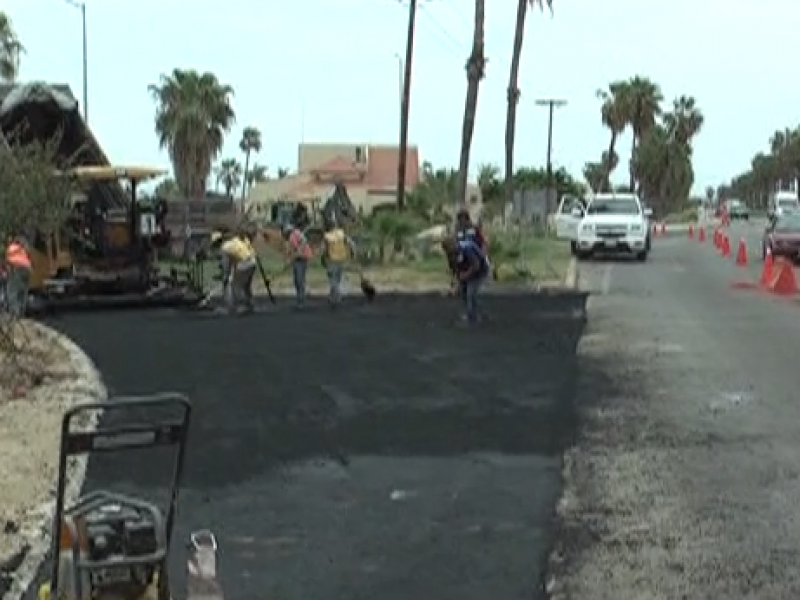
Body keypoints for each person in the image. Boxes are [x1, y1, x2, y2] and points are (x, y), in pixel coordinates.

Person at [444, 235, 490, 324]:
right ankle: (475, 313)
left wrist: (465, 275)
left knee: (471, 293)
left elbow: (476, 265)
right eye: (448, 250)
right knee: (464, 293)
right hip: (466, 271)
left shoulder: (467, 248)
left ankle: (473, 316)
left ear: (455, 244)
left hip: (480, 271)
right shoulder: (450, 253)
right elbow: (454, 267)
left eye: (451, 249)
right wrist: (454, 283)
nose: (450, 252)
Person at [219, 229, 257, 315]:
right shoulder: (238, 240)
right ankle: (250, 305)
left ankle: (236, 307)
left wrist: (225, 276)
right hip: (252, 261)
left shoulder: (225, 247)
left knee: (235, 286)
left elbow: (226, 264)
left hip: (245, 263)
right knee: (246, 286)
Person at [320, 220, 356, 307]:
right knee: (338, 278)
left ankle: (337, 296)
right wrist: (353, 253)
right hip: (341, 258)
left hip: (331, 259)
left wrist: (322, 259)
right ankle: (333, 296)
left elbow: (324, 249)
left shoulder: (327, 236)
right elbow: (351, 243)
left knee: (333, 279)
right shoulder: (341, 233)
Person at [283, 223, 312, 307]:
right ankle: (299, 297)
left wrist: (299, 250)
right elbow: (289, 250)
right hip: (296, 259)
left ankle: (301, 300)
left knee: (300, 280)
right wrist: (287, 260)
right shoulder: (289, 238)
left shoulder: (297, 233)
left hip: (303, 258)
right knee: (296, 280)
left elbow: (304, 241)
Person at [4, 234, 32, 317]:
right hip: (27, 269)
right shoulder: (22, 249)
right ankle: (21, 313)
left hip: (17, 268)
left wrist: (7, 273)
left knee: (12, 291)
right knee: (22, 291)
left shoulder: (11, 247)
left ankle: (15, 315)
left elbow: (9, 262)